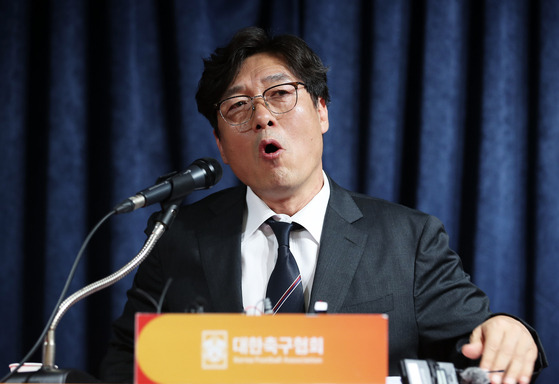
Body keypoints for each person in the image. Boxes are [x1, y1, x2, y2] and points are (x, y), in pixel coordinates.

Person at [100, 27, 547, 383]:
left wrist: (510, 330)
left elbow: (476, 338)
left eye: (280, 94)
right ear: (220, 144)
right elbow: (128, 359)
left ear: (321, 112)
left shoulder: (409, 239)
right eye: (238, 105)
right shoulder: (178, 235)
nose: (263, 116)